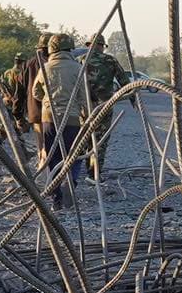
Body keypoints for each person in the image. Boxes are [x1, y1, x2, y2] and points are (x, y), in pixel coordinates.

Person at [29, 32, 88, 206]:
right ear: (70, 49)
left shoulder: (45, 68)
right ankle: (71, 182)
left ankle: (56, 196)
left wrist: (48, 100)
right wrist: (86, 115)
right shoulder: (78, 68)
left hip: (49, 119)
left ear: (51, 49)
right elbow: (84, 97)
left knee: (53, 158)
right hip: (72, 119)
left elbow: (35, 92)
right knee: (75, 155)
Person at [81, 31, 125, 177]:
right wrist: (133, 99)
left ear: (89, 46)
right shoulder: (110, 60)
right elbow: (124, 81)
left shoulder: (81, 60)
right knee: (101, 139)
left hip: (85, 106)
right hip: (105, 106)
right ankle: (95, 172)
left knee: (85, 137)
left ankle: (84, 168)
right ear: (102, 46)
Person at [0, 52, 34, 131]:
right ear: (24, 62)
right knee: (18, 126)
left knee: (6, 125)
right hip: (18, 104)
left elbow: (1, 88)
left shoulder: (7, 72)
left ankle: (0, 136)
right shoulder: (23, 74)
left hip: (7, 102)